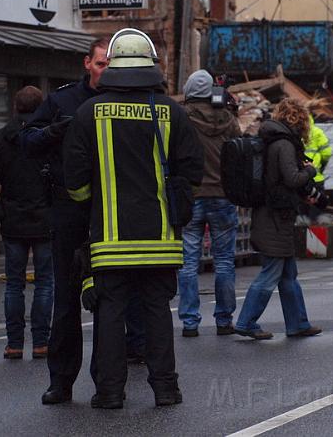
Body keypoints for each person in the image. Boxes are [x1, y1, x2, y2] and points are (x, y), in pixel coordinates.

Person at [64, 28, 203, 408]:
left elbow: (74, 182)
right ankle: (166, 389)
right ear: (151, 64)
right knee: (158, 314)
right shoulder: (170, 110)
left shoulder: (88, 112)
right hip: (159, 239)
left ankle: (109, 393)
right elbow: (193, 171)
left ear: (112, 64)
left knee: (110, 315)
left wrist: (92, 204)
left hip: (109, 240)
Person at [22, 38, 109, 405]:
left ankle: (108, 382)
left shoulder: (123, 101)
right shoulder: (61, 101)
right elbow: (26, 140)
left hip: (109, 213)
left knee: (110, 300)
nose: (107, 69)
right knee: (67, 299)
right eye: (102, 63)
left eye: (113, 64)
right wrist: (54, 131)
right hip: (69, 212)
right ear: (88, 63)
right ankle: (61, 381)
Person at [235, 98, 323, 340]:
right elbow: (292, 178)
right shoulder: (283, 144)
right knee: (272, 272)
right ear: (299, 119)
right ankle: (246, 321)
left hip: (275, 215)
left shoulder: (274, 140)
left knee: (288, 274)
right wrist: (310, 171)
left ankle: (298, 323)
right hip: (274, 217)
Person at [0, 86, 53, 360]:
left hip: (13, 216)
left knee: (14, 284)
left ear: (15, 107)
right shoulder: (48, 136)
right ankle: (41, 341)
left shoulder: (1, 137)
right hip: (43, 215)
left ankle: (14, 343)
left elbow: (0, 174)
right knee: (45, 282)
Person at [178, 69, 242, 338]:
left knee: (188, 262)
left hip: (191, 196)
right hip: (223, 196)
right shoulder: (228, 119)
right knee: (225, 260)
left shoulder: (182, 118)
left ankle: (190, 321)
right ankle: (224, 319)